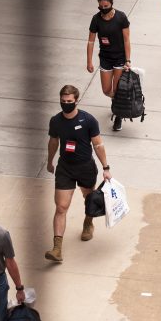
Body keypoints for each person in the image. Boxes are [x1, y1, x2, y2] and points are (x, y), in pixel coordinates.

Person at [45, 84, 112, 261]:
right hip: (65, 167)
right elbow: (53, 142)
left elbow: (98, 144)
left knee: (89, 199)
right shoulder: (56, 121)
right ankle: (57, 248)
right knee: (61, 207)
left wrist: (106, 168)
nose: (66, 104)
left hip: (85, 167)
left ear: (76, 101)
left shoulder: (88, 120)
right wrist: (50, 160)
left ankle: (88, 223)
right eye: (63, 101)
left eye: (69, 101)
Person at [86, 0, 131, 131]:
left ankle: (118, 115)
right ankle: (117, 102)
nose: (103, 9)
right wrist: (89, 61)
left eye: (106, 6)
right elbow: (91, 42)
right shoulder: (96, 19)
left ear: (111, 3)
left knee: (117, 89)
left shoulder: (121, 17)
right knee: (106, 90)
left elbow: (126, 40)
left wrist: (128, 60)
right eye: (101, 6)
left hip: (119, 58)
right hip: (105, 58)